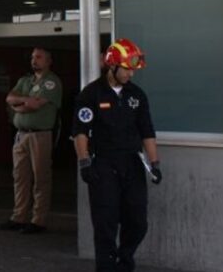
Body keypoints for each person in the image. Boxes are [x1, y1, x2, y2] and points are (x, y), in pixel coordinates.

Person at [73, 38, 160, 272]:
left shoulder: (137, 95)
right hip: (103, 164)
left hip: (131, 163)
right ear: (112, 66)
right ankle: (107, 267)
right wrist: (84, 163)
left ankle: (125, 259)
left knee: (138, 221)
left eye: (133, 70)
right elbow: (81, 132)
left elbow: (147, 131)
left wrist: (154, 163)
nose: (130, 74)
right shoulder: (90, 94)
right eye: (127, 69)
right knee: (105, 222)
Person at [1, 47, 62, 234]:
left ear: (48, 60)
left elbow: (36, 105)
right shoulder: (25, 80)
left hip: (40, 135)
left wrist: (19, 105)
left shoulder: (51, 82)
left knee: (41, 178)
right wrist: (24, 101)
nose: (34, 60)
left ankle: (38, 220)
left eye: (39, 57)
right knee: (20, 177)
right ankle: (18, 216)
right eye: (33, 57)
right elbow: (9, 97)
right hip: (21, 134)